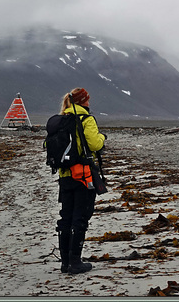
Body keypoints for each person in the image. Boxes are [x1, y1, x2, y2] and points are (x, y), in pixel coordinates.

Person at [56, 87, 106, 275]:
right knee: (81, 217)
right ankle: (75, 261)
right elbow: (94, 144)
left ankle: (65, 262)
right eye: (87, 99)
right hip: (83, 175)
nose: (89, 102)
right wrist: (102, 138)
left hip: (65, 175)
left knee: (66, 217)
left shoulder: (61, 119)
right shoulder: (86, 119)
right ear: (84, 101)